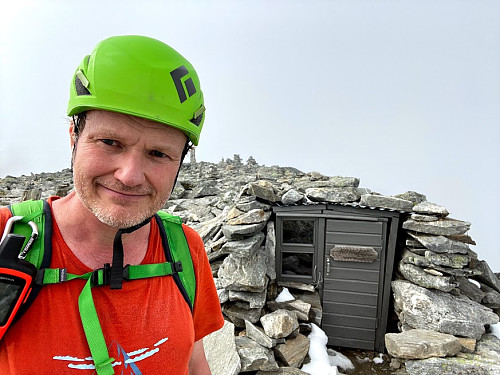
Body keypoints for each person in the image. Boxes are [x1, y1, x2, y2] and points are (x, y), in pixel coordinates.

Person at [0, 35, 224, 374]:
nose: (130, 175)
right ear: (74, 136)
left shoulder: (184, 250)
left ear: (180, 162)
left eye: (158, 153)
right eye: (110, 142)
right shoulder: (7, 239)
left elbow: (194, 363)